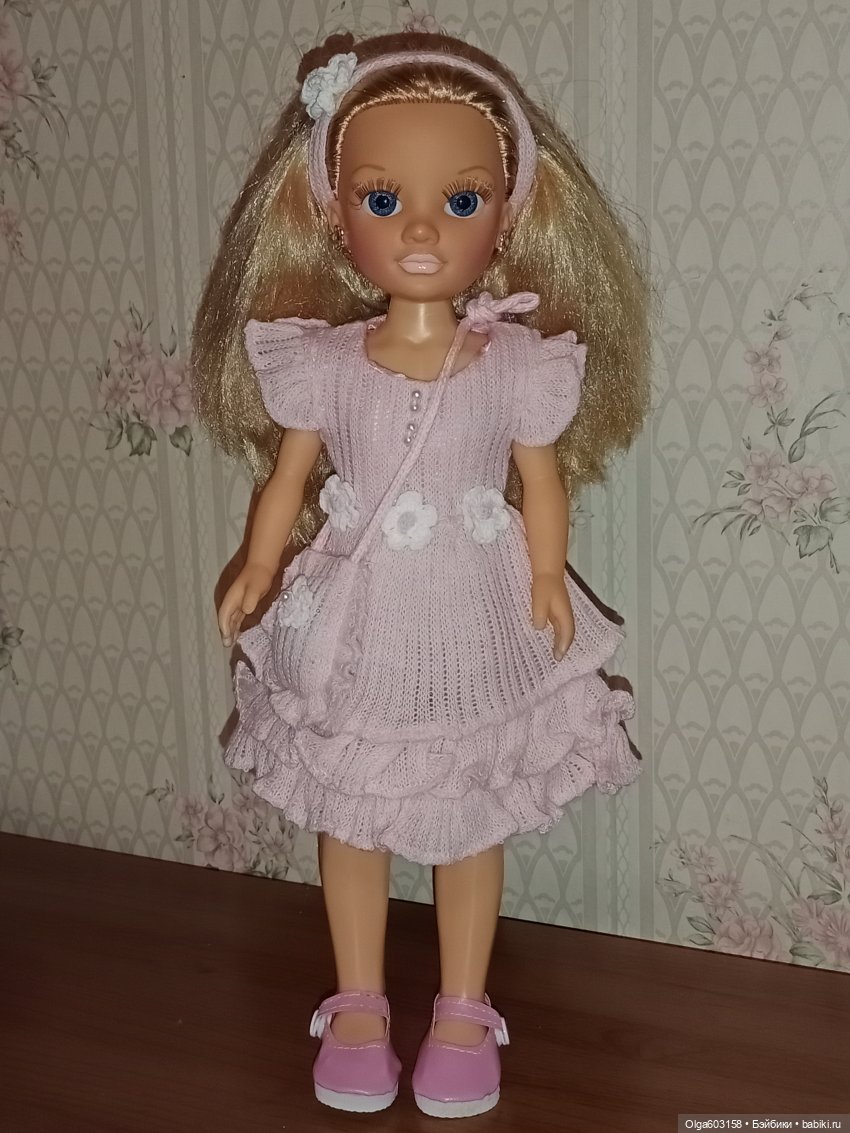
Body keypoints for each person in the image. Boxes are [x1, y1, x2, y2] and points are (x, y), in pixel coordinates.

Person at [191, 26, 651, 1120]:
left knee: (466, 805)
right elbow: (289, 476)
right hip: (358, 618)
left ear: (507, 218)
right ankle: (357, 1003)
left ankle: (461, 1007)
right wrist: (259, 562)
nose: (421, 228)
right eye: (384, 198)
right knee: (350, 806)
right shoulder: (324, 361)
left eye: (462, 199)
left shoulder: (516, 364)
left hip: (472, 613)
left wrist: (549, 579)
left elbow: (540, 483)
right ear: (333, 213)